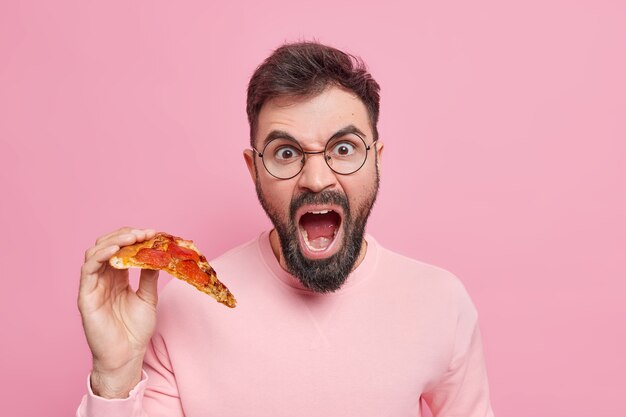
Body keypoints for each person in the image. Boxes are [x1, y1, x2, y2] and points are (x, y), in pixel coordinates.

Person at [77, 41, 494, 417]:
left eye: (343, 149)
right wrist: (114, 377)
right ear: (254, 168)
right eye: (286, 152)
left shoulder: (440, 302)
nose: (316, 179)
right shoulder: (184, 305)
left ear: (377, 159)